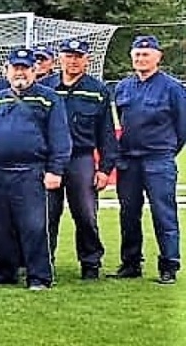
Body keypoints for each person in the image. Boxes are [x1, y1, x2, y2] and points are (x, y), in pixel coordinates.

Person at [0, 47, 71, 291]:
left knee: (34, 225)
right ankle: (4, 272)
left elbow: (60, 137)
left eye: (25, 68)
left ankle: (39, 276)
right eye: (16, 68)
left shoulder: (49, 98)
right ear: (6, 70)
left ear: (34, 70)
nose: (20, 73)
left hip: (31, 171)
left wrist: (55, 170)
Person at [105, 35, 186, 284]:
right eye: (137, 55)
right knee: (128, 213)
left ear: (158, 57)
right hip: (129, 160)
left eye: (146, 54)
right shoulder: (123, 87)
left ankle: (169, 265)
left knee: (164, 214)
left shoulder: (172, 88)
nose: (141, 59)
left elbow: (182, 127)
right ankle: (131, 263)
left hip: (158, 159)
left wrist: (166, 150)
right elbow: (122, 119)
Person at [48, 38, 115, 280]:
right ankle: (43, 262)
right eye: (68, 56)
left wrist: (105, 168)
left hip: (81, 158)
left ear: (87, 60)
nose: (73, 61)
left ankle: (90, 262)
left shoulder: (98, 90)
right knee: (46, 214)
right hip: (50, 159)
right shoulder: (45, 87)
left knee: (86, 214)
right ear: (60, 58)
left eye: (78, 57)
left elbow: (106, 133)